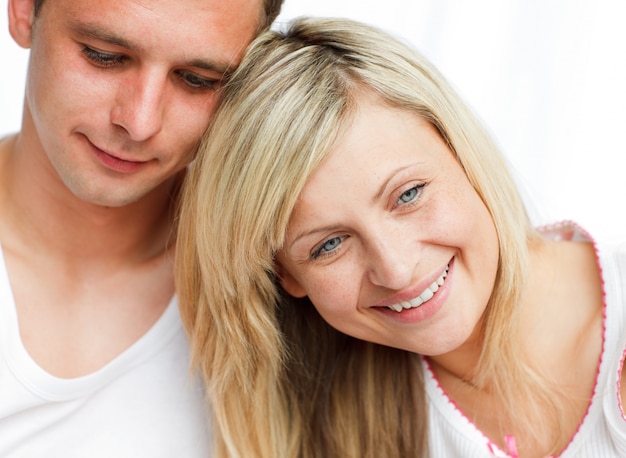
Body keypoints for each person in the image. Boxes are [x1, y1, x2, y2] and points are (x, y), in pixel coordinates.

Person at [176, 16, 626, 458]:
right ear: (286, 276)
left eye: (408, 195)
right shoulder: (335, 429)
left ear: (461, 152)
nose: (395, 268)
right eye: (328, 245)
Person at [0, 0, 283, 456]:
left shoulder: (285, 275)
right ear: (22, 12)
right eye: (104, 55)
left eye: (197, 80)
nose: (138, 122)